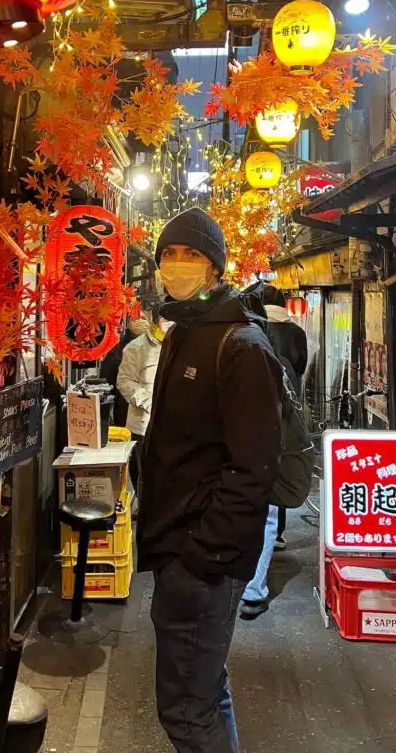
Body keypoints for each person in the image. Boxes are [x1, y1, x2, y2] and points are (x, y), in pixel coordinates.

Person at [137, 208, 282, 753]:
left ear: (216, 268)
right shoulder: (183, 332)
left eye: (191, 255)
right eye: (169, 254)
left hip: (202, 563)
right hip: (180, 553)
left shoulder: (241, 347)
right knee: (204, 695)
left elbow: (253, 469)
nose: (178, 265)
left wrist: (199, 555)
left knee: (185, 713)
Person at [240, 285, 307, 619]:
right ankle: (253, 589)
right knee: (266, 517)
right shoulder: (283, 355)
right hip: (270, 449)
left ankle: (244, 585)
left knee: (253, 516)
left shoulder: (233, 354)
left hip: (246, 455)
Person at [116, 302, 168, 492]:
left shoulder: (181, 346)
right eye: (166, 319)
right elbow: (124, 381)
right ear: (155, 322)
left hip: (174, 425)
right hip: (143, 426)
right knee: (145, 477)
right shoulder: (135, 348)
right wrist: (149, 401)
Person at [100, 315, 147, 427]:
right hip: (126, 411)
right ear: (130, 324)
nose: (141, 321)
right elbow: (106, 383)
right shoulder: (119, 351)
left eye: (144, 318)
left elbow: (106, 381)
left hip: (134, 411)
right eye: (138, 318)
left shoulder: (118, 350)